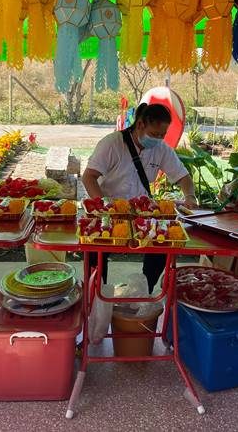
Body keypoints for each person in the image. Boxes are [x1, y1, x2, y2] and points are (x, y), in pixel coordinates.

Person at [82, 103, 198, 293]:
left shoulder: (161, 149)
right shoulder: (112, 144)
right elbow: (89, 177)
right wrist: (103, 206)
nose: (158, 139)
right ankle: (96, 295)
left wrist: (190, 196)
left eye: (162, 135)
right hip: (109, 211)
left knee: (160, 247)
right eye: (154, 134)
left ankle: (146, 291)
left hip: (142, 212)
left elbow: (183, 177)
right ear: (141, 124)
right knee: (96, 255)